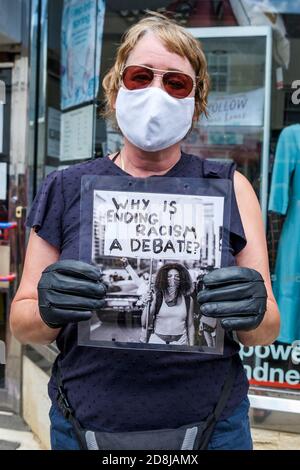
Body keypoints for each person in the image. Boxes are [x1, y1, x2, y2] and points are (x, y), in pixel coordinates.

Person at [10, 12, 280, 450]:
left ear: (196, 102)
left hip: (213, 426)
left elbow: (265, 326)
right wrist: (47, 307)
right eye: (140, 76)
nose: (157, 92)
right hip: (85, 423)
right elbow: (22, 324)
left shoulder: (230, 186)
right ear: (115, 88)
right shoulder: (65, 186)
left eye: (176, 83)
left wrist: (251, 310)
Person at [141, 263, 194, 346]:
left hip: (181, 343)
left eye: (177, 276)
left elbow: (190, 326)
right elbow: (145, 323)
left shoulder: (188, 300)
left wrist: (192, 347)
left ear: (182, 279)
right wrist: (148, 304)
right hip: (158, 342)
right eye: (169, 276)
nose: (173, 279)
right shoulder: (156, 297)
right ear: (164, 279)